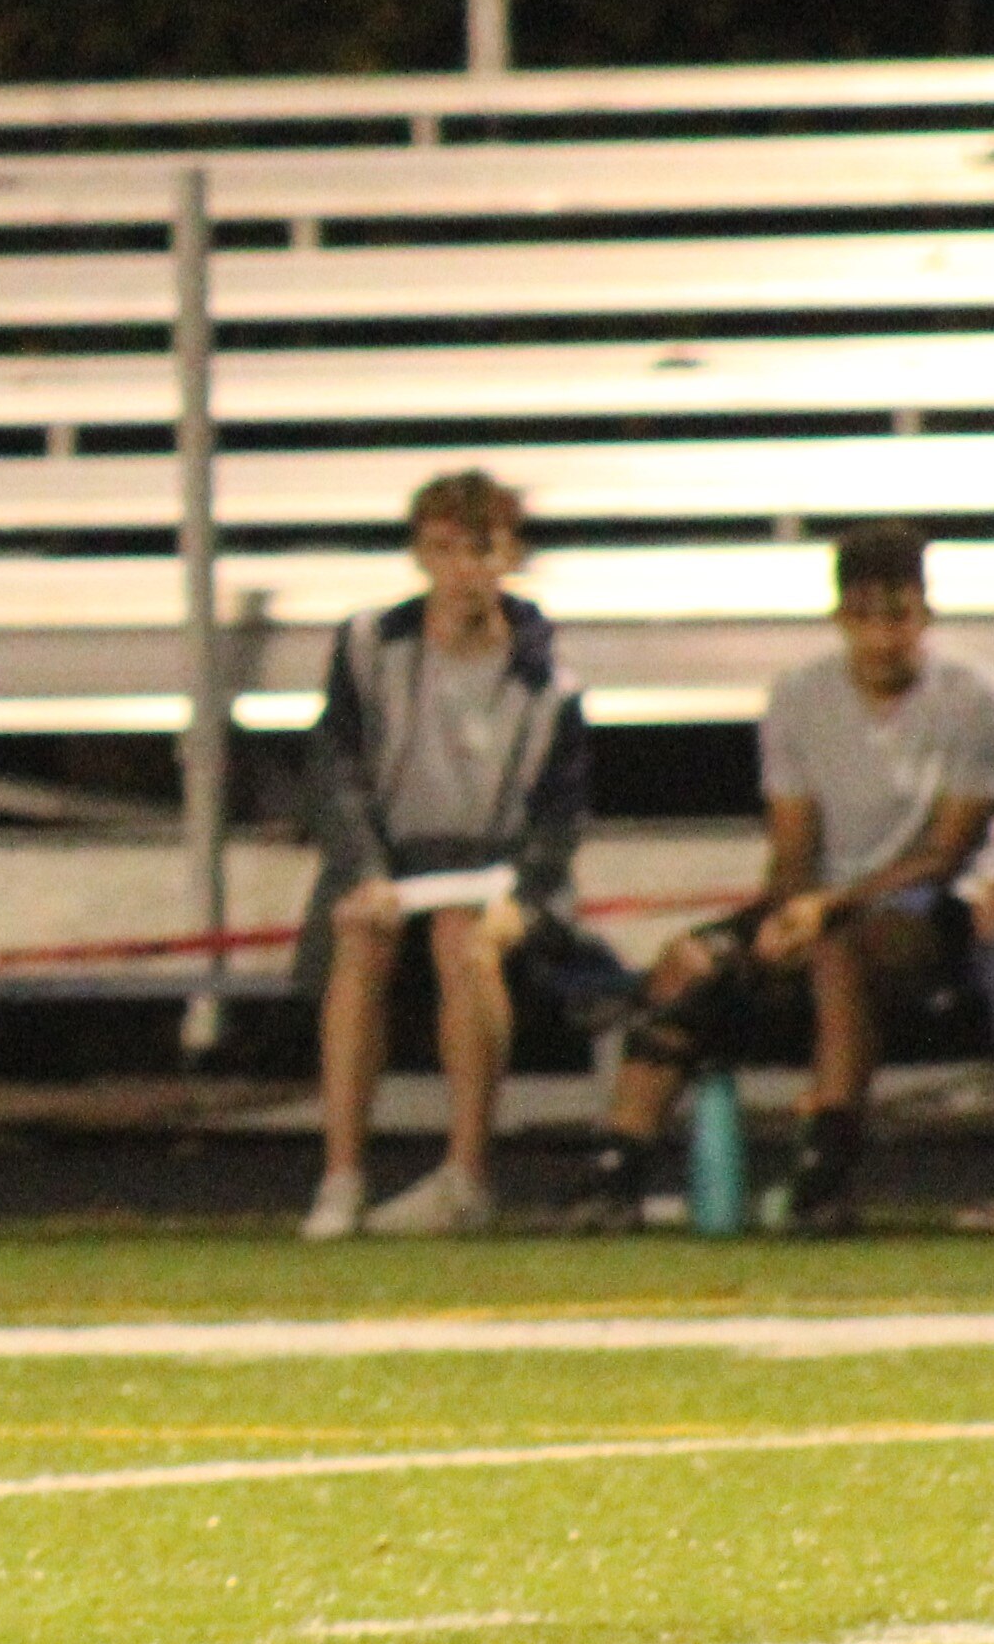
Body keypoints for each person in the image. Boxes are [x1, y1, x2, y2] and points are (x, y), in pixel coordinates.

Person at [564, 518, 994, 1236]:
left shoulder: (968, 699)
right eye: (864, 617)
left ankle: (822, 1167)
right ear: (838, 617)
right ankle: (615, 1166)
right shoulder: (799, 697)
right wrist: (788, 911)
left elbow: (943, 853)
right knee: (689, 962)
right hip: (821, 901)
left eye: (898, 616)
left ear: (924, 612)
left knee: (838, 950)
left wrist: (825, 907)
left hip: (916, 911)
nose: (883, 637)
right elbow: (792, 843)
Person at [296, 470, 588, 1240]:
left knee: (467, 938)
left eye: (479, 549)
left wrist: (519, 900)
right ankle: (342, 1178)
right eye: (442, 550)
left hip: (492, 870)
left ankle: (466, 1178)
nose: (462, 569)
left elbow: (555, 824)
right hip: (391, 862)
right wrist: (363, 870)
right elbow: (335, 771)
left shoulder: (549, 683)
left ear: (509, 555)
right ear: (420, 557)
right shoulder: (368, 647)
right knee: (360, 933)